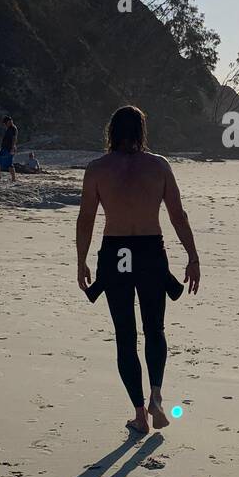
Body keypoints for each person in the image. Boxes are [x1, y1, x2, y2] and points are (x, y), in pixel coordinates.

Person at [76, 104, 200, 435]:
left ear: (111, 132)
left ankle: (139, 414)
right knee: (155, 329)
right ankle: (157, 395)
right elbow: (178, 215)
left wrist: (81, 260)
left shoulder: (98, 168)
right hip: (149, 251)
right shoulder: (158, 166)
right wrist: (193, 256)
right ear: (142, 131)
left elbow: (86, 218)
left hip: (116, 252)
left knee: (125, 337)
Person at [0, 116, 18, 182]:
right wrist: (1, 148)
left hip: (8, 149)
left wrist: (12, 148)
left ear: (9, 122)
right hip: (5, 148)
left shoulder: (13, 128)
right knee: (9, 164)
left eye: (5, 123)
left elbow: (14, 138)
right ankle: (12, 178)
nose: (5, 125)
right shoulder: (10, 128)